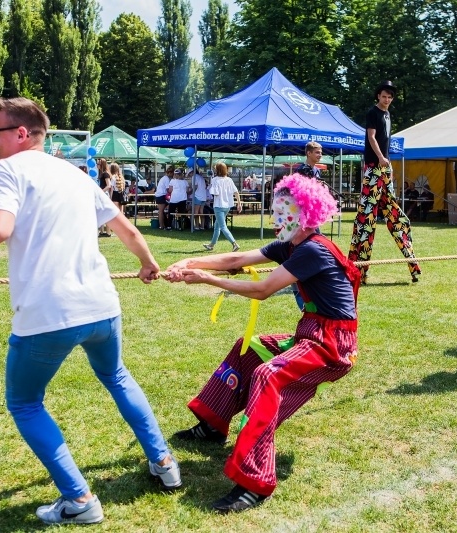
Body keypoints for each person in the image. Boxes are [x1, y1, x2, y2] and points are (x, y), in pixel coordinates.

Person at [0, 96, 181, 525]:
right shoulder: (74, 174)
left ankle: (80, 501)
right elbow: (121, 223)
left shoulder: (7, 170)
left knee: (25, 402)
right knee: (118, 376)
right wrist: (147, 261)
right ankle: (164, 463)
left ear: (21, 133)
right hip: (101, 305)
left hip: (48, 311)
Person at [166, 173, 360, 513]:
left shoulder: (311, 249)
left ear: (305, 215)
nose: (275, 218)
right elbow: (236, 260)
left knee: (268, 375)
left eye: (283, 210)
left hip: (333, 344)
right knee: (249, 348)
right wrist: (189, 262)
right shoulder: (290, 245)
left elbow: (262, 290)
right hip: (311, 333)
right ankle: (213, 424)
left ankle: (253, 482)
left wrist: (206, 279)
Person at [348, 80, 420, 283]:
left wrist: (386, 167)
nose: (387, 99)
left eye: (390, 97)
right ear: (378, 96)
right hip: (373, 167)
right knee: (366, 221)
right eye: (384, 96)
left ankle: (413, 264)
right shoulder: (373, 113)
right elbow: (371, 137)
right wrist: (380, 157)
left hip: (383, 169)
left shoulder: (388, 114)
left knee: (397, 216)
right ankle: (357, 270)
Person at [204, 162, 242, 251]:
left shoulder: (215, 180)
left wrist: (211, 186)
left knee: (222, 227)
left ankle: (234, 243)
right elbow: (236, 192)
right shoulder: (229, 179)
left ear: (217, 170)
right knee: (217, 226)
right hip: (227, 205)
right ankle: (211, 245)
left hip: (218, 205)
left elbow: (214, 192)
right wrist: (239, 203)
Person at [97, 159, 112, 237]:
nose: (97, 165)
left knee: (105, 212)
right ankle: (102, 231)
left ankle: (108, 232)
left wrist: (101, 191)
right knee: (101, 212)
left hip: (104, 194)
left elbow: (109, 185)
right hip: (102, 194)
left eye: (98, 164)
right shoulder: (101, 174)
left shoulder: (106, 174)